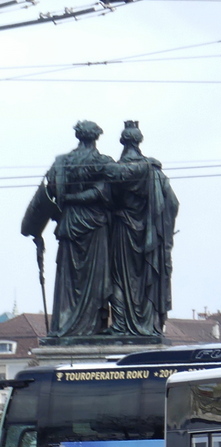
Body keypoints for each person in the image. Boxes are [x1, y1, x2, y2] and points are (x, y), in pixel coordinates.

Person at [21, 121, 115, 340]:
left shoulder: (61, 162)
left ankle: (65, 325)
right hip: (95, 224)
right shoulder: (103, 163)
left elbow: (49, 191)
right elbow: (104, 192)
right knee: (95, 277)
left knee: (69, 278)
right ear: (96, 137)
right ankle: (92, 326)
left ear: (79, 137)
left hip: (69, 222)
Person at [106, 121, 178, 339]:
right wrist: (162, 229)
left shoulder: (113, 171)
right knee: (147, 278)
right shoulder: (154, 171)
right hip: (148, 234)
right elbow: (173, 203)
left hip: (121, 230)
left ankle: (120, 325)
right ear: (139, 141)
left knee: (119, 277)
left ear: (122, 142)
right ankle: (148, 324)